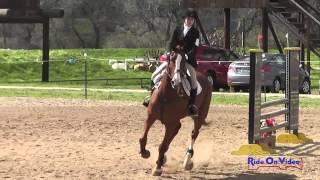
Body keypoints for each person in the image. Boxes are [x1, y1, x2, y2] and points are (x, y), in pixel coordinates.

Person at [143, 9, 200, 116]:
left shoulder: (196, 32)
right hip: (173, 58)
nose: (190, 21)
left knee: (193, 80)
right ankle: (150, 97)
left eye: (192, 19)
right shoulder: (177, 29)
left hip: (187, 60)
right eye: (188, 19)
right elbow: (171, 42)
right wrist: (170, 51)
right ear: (185, 19)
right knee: (155, 74)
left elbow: (195, 48)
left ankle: (192, 105)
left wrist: (187, 55)